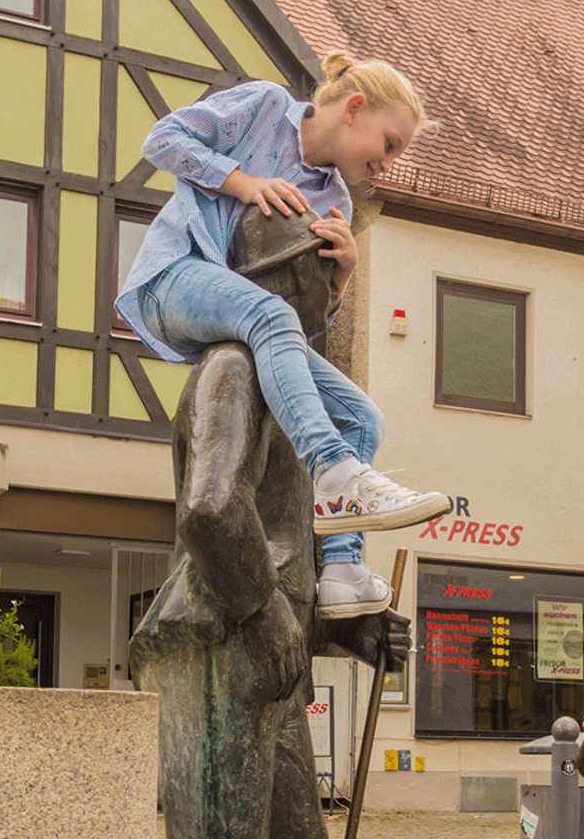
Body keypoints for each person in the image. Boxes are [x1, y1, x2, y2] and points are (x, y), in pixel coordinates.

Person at [123, 51, 453, 617]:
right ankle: (334, 469)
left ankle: (344, 571)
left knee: (362, 416)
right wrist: (245, 183)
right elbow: (162, 138)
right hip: (174, 279)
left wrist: (342, 274)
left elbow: (301, 330)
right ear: (353, 109)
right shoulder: (265, 107)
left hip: (251, 317)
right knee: (266, 318)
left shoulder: (335, 201)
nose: (388, 164)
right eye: (390, 144)